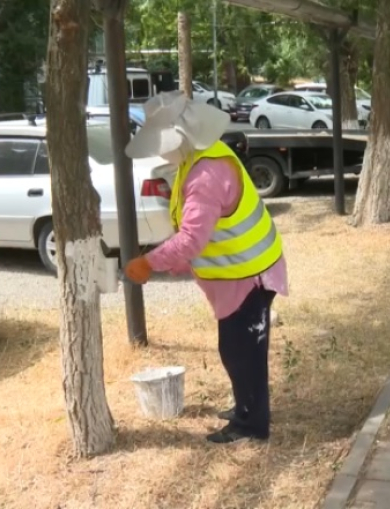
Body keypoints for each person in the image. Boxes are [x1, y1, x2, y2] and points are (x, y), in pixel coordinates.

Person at [122, 91, 288, 444]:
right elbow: (202, 234)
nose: (159, 151)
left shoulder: (205, 174)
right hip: (239, 273)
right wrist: (179, 263)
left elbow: (192, 239)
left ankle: (251, 425)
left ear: (179, 138)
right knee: (238, 349)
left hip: (250, 276)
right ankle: (246, 408)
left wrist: (149, 263)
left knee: (243, 353)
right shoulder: (198, 159)